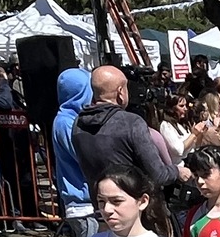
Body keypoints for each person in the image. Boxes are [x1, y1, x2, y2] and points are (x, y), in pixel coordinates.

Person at [74, 65, 179, 196]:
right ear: (120, 92)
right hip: (133, 202)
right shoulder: (132, 123)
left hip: (101, 202)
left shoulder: (78, 123)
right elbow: (159, 176)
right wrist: (177, 171)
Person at [51, 66, 97, 237]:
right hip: (81, 203)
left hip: (86, 202)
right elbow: (85, 156)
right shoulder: (65, 122)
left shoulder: (73, 119)